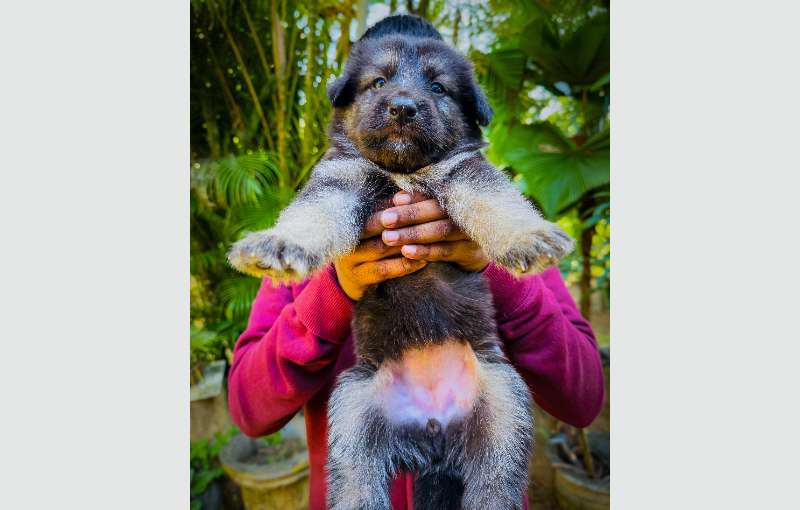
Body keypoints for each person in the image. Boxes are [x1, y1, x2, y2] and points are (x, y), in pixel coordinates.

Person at [227, 190, 605, 509]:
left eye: (438, 96)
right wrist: (336, 288)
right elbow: (249, 409)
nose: (403, 108)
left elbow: (583, 398)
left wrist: (492, 259)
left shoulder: (503, 219)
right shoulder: (308, 235)